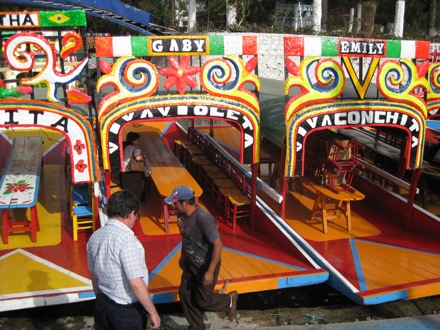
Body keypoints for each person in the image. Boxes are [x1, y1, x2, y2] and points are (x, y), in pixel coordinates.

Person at [164, 185, 238, 330]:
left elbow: (218, 245)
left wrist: (210, 271)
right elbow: (186, 237)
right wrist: (183, 256)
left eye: (175, 202)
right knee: (184, 294)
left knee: (203, 300)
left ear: (185, 203)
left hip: (206, 264)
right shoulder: (181, 214)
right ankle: (197, 326)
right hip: (190, 262)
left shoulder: (204, 219)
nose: (173, 205)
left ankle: (229, 299)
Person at [87, 190, 161, 330]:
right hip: (125, 311)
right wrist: (153, 312)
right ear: (131, 214)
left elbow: (94, 274)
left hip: (102, 304)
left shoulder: (95, 237)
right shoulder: (127, 240)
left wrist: (100, 299)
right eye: (136, 216)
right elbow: (135, 283)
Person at [122, 132, 151, 201]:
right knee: (136, 190)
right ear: (133, 140)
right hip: (134, 172)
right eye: (137, 140)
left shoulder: (126, 147)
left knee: (128, 191)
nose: (139, 141)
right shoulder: (136, 149)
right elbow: (137, 158)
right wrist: (143, 157)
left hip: (125, 171)